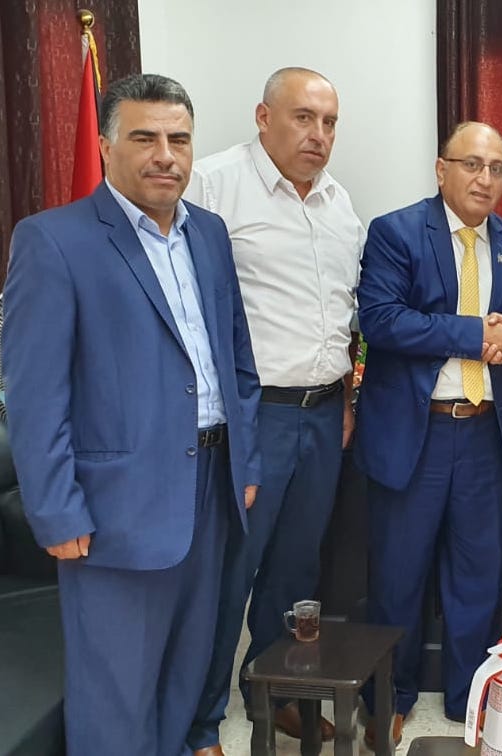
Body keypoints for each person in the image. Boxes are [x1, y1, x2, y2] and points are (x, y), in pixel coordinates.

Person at [1, 73, 261, 756]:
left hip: (212, 486)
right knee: (116, 692)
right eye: (145, 138)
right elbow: (34, 394)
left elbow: (236, 359)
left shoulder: (209, 233)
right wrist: (56, 511)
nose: (165, 155)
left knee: (185, 673)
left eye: (179, 139)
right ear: (106, 146)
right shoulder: (53, 241)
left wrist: (246, 463)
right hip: (114, 505)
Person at [355, 121, 502, 748]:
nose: (484, 178)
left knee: (477, 581)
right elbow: (382, 320)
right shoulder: (396, 232)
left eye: (497, 168)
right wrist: (473, 334)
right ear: (442, 170)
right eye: (472, 164)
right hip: (413, 436)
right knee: (398, 579)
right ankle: (391, 697)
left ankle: (471, 702)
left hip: (484, 439)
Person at [183, 67, 364, 755]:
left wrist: (345, 396)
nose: (318, 135)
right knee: (231, 572)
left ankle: (279, 696)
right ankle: (201, 722)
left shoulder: (340, 205)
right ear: (264, 117)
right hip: (252, 416)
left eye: (329, 123)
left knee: (296, 570)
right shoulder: (213, 184)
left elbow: (343, 317)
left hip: (324, 413)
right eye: (303, 118)